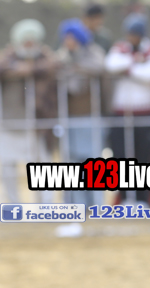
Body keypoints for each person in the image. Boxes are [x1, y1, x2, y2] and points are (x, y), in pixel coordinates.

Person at [105, 13, 150, 205]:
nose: (132, 37)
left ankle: (141, 199)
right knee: (121, 158)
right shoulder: (120, 48)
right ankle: (125, 198)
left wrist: (128, 69)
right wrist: (135, 62)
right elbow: (111, 64)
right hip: (121, 112)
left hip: (145, 112)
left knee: (144, 158)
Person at [55, 18, 107, 226]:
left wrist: (76, 67)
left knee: (93, 164)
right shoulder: (61, 57)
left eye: (72, 37)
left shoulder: (93, 53)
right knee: (72, 164)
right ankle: (77, 206)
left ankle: (97, 206)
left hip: (91, 116)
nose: (68, 41)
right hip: (69, 118)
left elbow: (99, 67)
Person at [0, 19, 59, 202]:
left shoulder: (45, 57)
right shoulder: (8, 57)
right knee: (8, 167)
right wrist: (17, 70)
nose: (29, 44)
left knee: (43, 168)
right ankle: (13, 206)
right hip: (11, 122)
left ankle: (45, 207)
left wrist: (31, 69)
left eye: (32, 41)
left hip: (38, 123)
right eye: (25, 41)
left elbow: (55, 65)